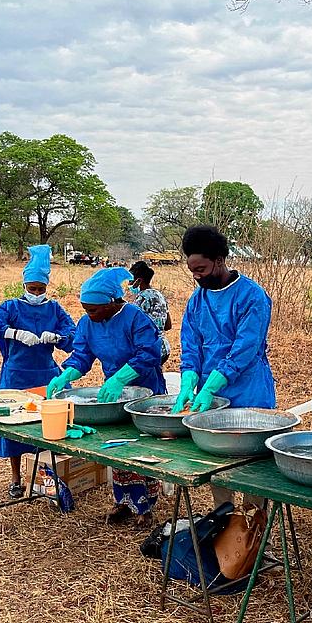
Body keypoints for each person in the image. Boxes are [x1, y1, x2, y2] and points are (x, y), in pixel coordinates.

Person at [47, 267, 165, 526]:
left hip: (145, 390)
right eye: (85, 309)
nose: (88, 314)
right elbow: (82, 356)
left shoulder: (135, 318)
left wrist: (121, 377)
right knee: (119, 447)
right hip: (113, 392)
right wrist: (65, 374)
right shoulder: (87, 324)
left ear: (112, 303)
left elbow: (149, 353)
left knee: (141, 450)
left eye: (93, 309)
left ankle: (145, 508)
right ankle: (123, 502)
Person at [172, 225, 274, 509]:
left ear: (220, 260)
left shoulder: (252, 297)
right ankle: (224, 523)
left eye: (201, 269)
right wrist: (188, 385)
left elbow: (244, 350)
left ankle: (252, 531)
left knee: (253, 474)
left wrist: (211, 385)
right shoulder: (197, 300)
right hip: (212, 397)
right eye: (192, 270)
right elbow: (190, 347)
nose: (196, 276)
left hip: (250, 391)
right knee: (218, 467)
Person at [0, 245, 76, 498]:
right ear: (24, 286)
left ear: (46, 287)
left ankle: (45, 475)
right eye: (32, 289)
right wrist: (12, 332)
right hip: (15, 373)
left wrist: (57, 337)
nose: (36, 293)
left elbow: (74, 336)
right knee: (13, 428)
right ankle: (15, 477)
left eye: (40, 289)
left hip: (45, 373)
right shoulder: (11, 307)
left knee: (46, 426)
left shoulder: (54, 309)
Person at [127, 260, 172, 364]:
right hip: (164, 348)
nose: (129, 284)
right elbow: (168, 326)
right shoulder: (159, 295)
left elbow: (131, 326)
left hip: (149, 350)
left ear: (139, 281)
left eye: (130, 281)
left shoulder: (141, 298)